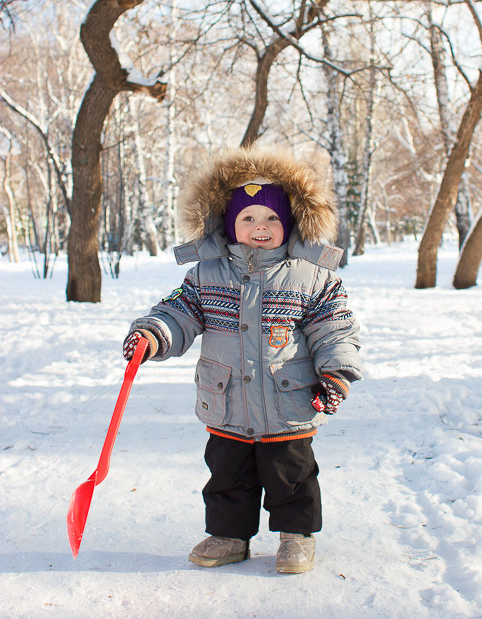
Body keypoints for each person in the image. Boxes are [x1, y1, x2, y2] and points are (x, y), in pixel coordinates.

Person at [123, 146, 363, 574]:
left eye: (272, 218)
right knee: (226, 476)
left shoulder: (313, 276)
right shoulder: (205, 274)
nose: (260, 227)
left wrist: (336, 374)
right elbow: (179, 312)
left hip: (287, 403)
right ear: (228, 223)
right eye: (248, 218)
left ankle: (296, 536)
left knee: (292, 475)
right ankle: (229, 535)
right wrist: (153, 334)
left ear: (289, 222)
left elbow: (335, 330)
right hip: (227, 399)